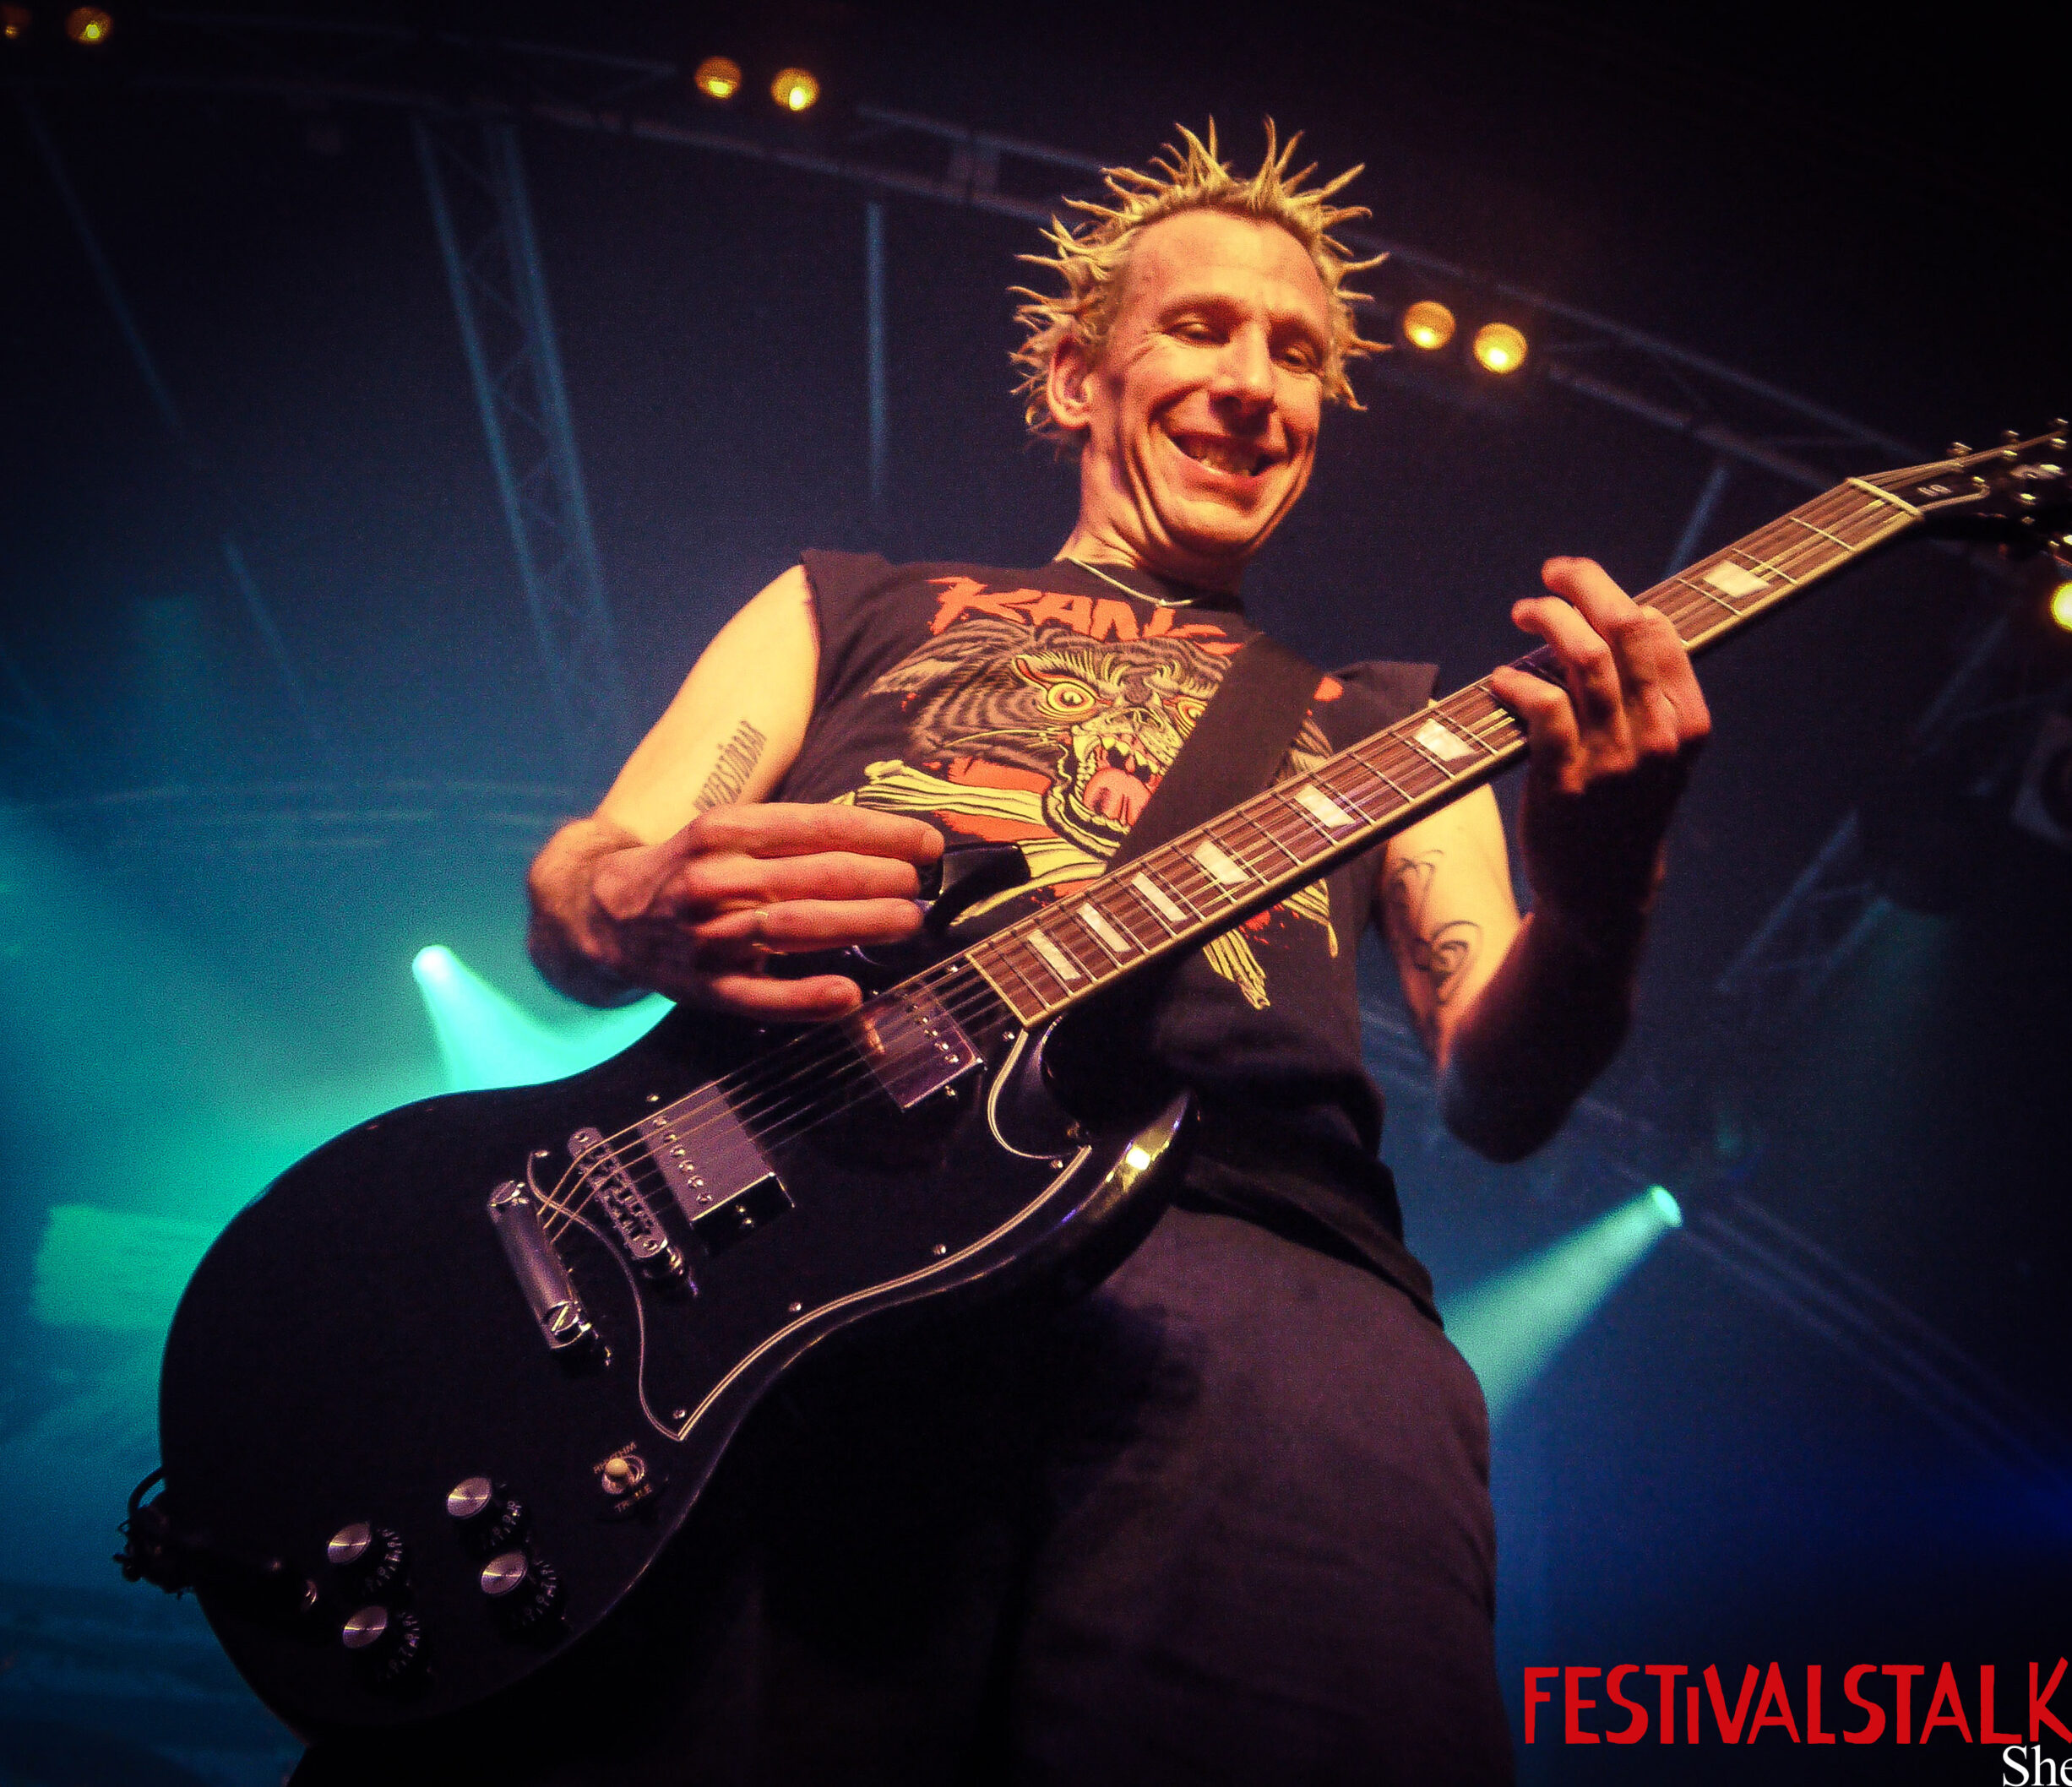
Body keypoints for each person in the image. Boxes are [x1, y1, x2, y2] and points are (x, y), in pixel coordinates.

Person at [515, 124, 1709, 1786]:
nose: (1253, 384)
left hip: (1261, 1299)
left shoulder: (1392, 730)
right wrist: (634, 899)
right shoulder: (847, 603)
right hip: (799, 1275)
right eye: (1201, 329)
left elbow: (1496, 1091)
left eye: (1296, 353)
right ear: (1078, 377)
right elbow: (586, 879)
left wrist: (1601, 891)